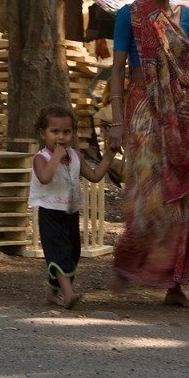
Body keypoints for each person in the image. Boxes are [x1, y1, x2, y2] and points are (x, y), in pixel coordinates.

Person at [108, 0, 189, 307]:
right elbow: (116, 70)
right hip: (143, 107)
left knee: (184, 194)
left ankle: (175, 285)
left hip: (183, 111)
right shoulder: (129, 16)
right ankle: (130, 263)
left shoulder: (187, 16)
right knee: (148, 192)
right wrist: (116, 121)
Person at [28, 104, 115, 309]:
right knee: (59, 253)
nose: (61, 137)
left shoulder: (75, 155)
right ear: (43, 133)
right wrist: (56, 158)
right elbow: (45, 178)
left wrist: (109, 157)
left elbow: (94, 176)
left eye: (66, 132)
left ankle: (52, 292)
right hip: (50, 213)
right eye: (55, 131)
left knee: (73, 254)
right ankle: (68, 295)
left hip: (70, 212)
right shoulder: (41, 158)